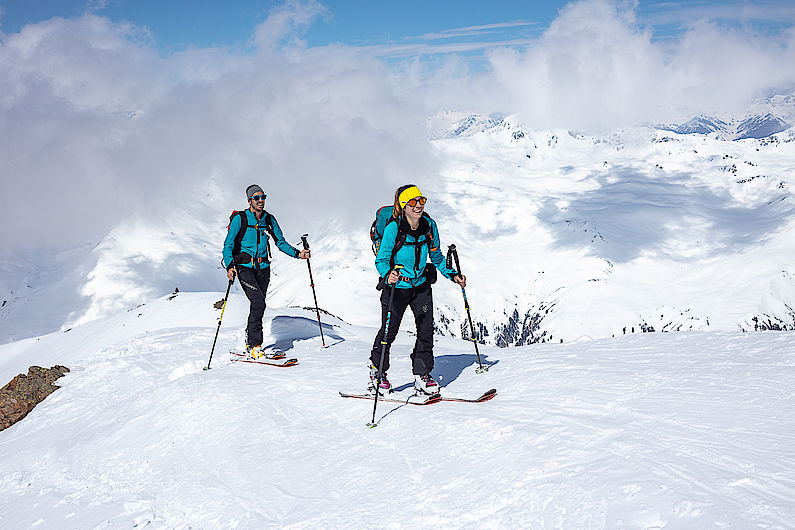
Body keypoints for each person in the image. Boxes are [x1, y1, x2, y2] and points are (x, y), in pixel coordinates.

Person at [369, 184, 466, 395]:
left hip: (421, 285)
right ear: (404, 205)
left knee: (425, 331)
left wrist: (452, 275)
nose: (418, 206)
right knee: (389, 331)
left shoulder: (429, 226)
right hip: (397, 287)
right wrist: (388, 274)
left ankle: (422, 375)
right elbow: (382, 259)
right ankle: (377, 371)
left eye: (421, 200)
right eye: (413, 202)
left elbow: (437, 257)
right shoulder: (394, 228)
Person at [223, 184, 310, 358]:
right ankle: (255, 345)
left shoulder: (269, 219)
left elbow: (281, 242)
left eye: (263, 197)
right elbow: (228, 244)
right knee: (258, 303)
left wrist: (298, 254)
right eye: (256, 198)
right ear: (249, 201)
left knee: (259, 306)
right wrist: (230, 265)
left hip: (264, 268)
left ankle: (250, 339)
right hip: (244, 268)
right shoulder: (240, 219)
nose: (260, 201)